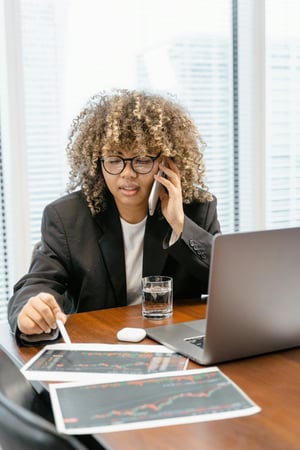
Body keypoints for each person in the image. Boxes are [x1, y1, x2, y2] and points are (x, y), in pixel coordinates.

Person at [7, 89, 221, 345]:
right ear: (99, 162)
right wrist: (29, 311)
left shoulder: (195, 209)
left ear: (164, 162)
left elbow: (229, 286)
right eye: (115, 160)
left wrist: (180, 225)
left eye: (141, 160)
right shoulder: (67, 217)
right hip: (100, 344)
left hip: (176, 344)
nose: (127, 173)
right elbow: (38, 282)